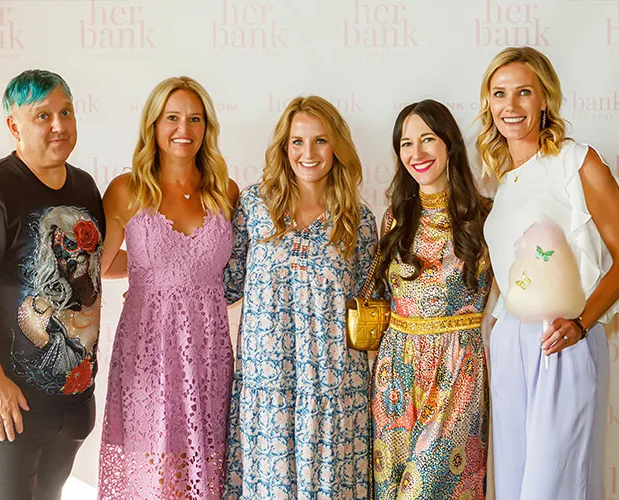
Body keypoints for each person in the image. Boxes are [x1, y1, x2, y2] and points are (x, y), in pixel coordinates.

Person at [477, 46, 619, 500]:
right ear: (489, 104)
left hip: (563, 338)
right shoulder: (503, 183)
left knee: (555, 486)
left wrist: (582, 323)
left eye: (524, 92)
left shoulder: (577, 162)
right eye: (500, 93)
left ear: (544, 99)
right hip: (509, 345)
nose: (511, 105)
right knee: (515, 485)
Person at [222, 95, 377, 499]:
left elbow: (371, 304)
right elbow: (225, 284)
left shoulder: (358, 221)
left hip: (334, 391)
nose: (308, 153)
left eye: (320, 140)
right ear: (284, 146)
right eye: (297, 141)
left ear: (337, 146)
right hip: (267, 386)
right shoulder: (254, 206)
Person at [98, 76, 239, 499]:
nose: (184, 128)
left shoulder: (226, 191)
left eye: (195, 119)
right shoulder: (126, 190)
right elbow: (99, 265)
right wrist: (148, 273)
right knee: (152, 468)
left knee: (203, 468)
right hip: (148, 347)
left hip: (208, 349)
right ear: (153, 125)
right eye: (172, 117)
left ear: (207, 127)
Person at [0, 69, 104, 500]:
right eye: (42, 116)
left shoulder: (84, 186)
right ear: (14, 126)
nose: (58, 125)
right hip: (11, 406)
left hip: (74, 404)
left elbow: (97, 264)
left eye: (65, 112)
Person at [371, 99, 493, 499]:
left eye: (427, 139)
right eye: (406, 143)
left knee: (431, 487)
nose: (416, 153)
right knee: (392, 489)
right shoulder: (394, 218)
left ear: (449, 144)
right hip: (396, 372)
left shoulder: (485, 216)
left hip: (458, 370)